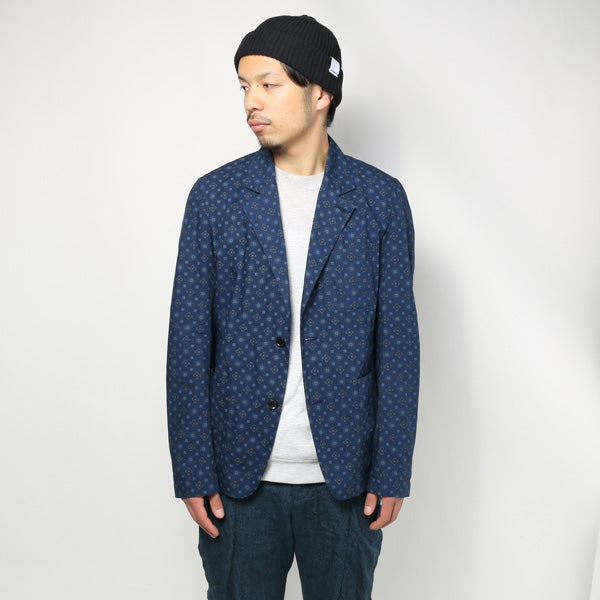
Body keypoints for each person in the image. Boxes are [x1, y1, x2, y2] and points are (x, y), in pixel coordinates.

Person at [166, 14, 420, 600]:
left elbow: (398, 345)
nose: (250, 102)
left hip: (345, 482)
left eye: (268, 84)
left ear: (320, 93)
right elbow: (188, 343)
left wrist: (391, 468)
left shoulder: (379, 200)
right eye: (244, 86)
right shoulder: (215, 197)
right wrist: (193, 470)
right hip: (238, 483)